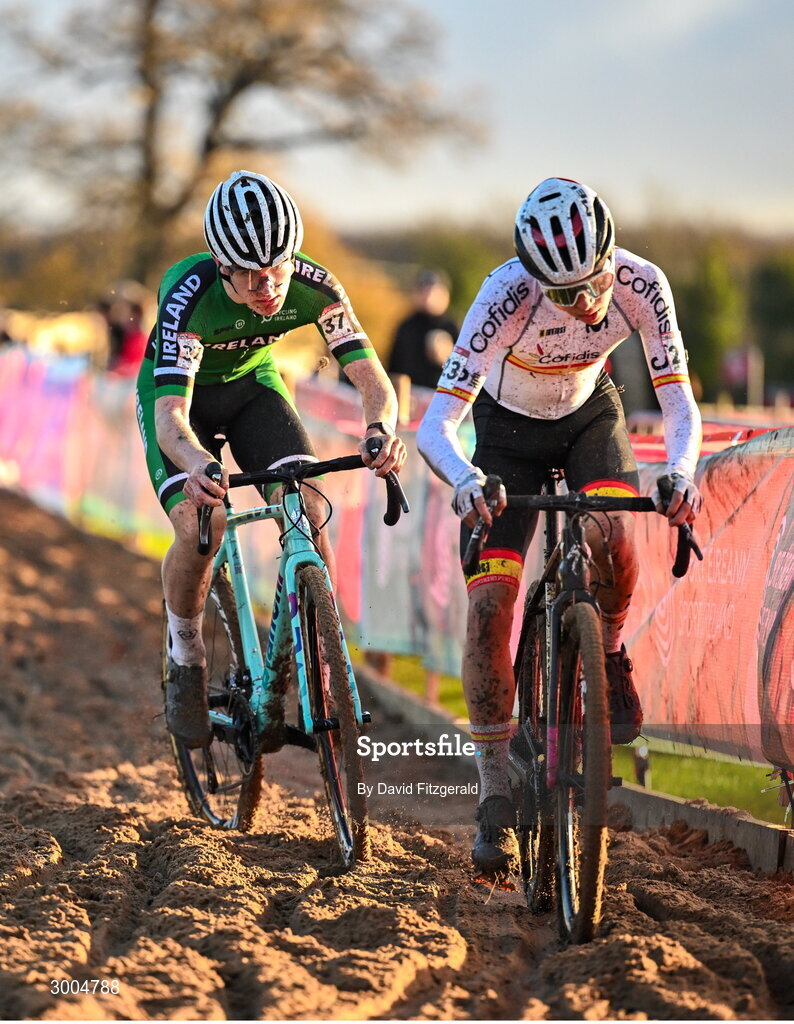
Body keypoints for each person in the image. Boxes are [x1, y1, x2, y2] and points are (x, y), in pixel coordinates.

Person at [416, 177, 702, 877]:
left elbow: (679, 403)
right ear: (535, 279)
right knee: (489, 608)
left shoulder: (642, 282)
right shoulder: (504, 295)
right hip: (505, 436)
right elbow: (434, 424)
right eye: (568, 294)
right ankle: (494, 794)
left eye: (597, 279)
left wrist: (683, 473)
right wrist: (465, 481)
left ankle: (605, 651)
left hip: (588, 419)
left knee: (609, 531)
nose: (590, 300)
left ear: (612, 255)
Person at [136, 170, 406, 749]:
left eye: (279, 268)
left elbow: (373, 381)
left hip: (253, 387)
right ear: (222, 266)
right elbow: (170, 422)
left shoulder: (317, 285)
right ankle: (186, 651)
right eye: (252, 276)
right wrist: (199, 464)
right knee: (201, 521)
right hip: (182, 407)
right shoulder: (187, 294)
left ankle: (322, 662)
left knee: (307, 505)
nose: (269, 287)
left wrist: (381, 427)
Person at [387, 269, 459, 389]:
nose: (428, 298)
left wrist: (446, 358)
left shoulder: (453, 327)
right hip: (410, 396)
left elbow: (465, 372)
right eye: (423, 292)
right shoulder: (407, 326)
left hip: (440, 395)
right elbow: (394, 366)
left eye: (433, 292)